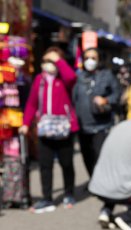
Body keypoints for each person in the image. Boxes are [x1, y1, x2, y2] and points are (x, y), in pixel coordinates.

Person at [19, 47, 78, 213]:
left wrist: (58, 61)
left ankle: (69, 193)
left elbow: (72, 77)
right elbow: (31, 103)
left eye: (51, 61)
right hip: (45, 128)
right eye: (46, 61)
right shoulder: (39, 79)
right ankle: (47, 198)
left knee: (67, 163)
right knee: (45, 164)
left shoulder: (64, 78)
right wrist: (26, 123)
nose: (48, 65)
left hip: (64, 127)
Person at [73, 48, 120, 177]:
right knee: (87, 156)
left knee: (100, 155)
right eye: (87, 58)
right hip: (83, 125)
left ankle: (102, 181)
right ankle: (92, 181)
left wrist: (105, 100)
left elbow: (117, 95)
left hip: (101, 125)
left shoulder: (107, 75)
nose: (90, 61)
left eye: (93, 58)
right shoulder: (79, 76)